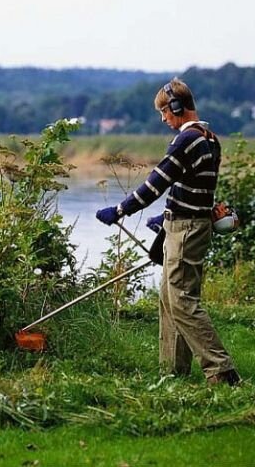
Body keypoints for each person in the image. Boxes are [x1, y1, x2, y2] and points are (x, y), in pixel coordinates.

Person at [95, 77, 241, 387]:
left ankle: (222, 371)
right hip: (185, 224)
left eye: (164, 111)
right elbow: (193, 188)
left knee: (182, 301)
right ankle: (173, 374)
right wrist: (164, 218)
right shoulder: (209, 138)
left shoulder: (186, 139)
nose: (163, 118)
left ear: (176, 106)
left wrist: (120, 210)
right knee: (168, 298)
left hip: (187, 230)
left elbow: (156, 183)